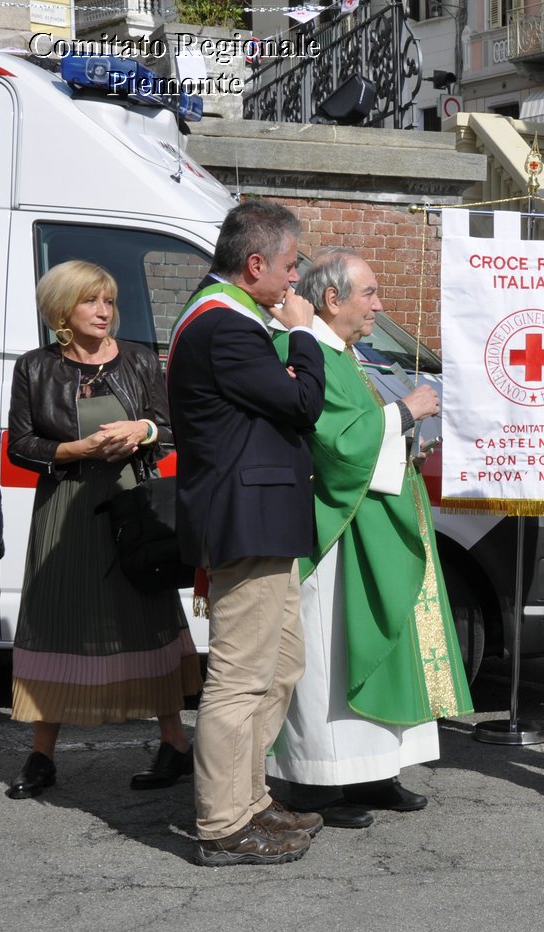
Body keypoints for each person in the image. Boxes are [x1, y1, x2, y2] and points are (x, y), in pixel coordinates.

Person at [266, 249, 473, 828]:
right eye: (370, 294)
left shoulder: (347, 355)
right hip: (336, 533)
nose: (380, 305)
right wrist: (405, 413)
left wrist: (406, 437)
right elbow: (333, 444)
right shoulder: (305, 354)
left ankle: (374, 772)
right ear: (333, 300)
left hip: (376, 524)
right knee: (332, 655)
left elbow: (361, 435)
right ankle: (315, 782)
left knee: (387, 647)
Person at [3, 261, 200, 800]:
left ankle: (175, 744)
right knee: (56, 618)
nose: (104, 311)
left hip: (131, 500)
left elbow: (170, 425)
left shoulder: (137, 359)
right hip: (65, 505)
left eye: (108, 301)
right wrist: (77, 450)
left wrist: (144, 429)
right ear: (63, 310)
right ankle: (42, 755)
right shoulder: (34, 366)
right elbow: (20, 446)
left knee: (144, 615)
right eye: (91, 301)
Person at [168, 200, 327, 866]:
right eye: (290, 267)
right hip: (246, 518)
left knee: (280, 663)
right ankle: (223, 820)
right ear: (255, 263)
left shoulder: (228, 319)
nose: (295, 283)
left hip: (263, 517)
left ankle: (251, 796)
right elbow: (301, 403)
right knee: (238, 678)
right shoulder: (224, 326)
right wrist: (304, 335)